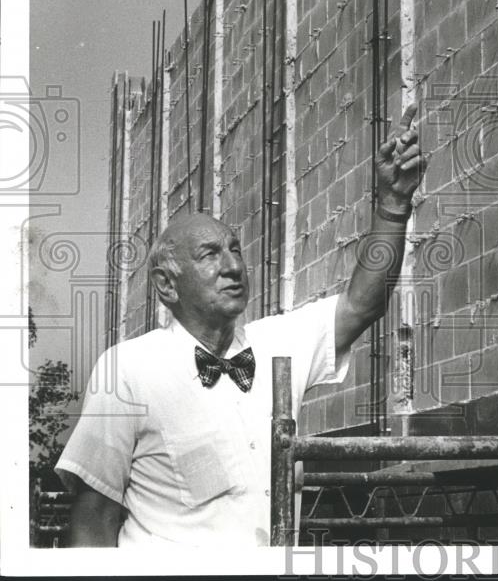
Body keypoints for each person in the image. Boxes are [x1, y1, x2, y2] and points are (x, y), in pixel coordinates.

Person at [56, 104, 427, 547]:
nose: (233, 265)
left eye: (235, 249)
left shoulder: (278, 346)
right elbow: (93, 520)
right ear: (167, 285)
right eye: (210, 254)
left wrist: (393, 205)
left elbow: (362, 304)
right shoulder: (128, 370)